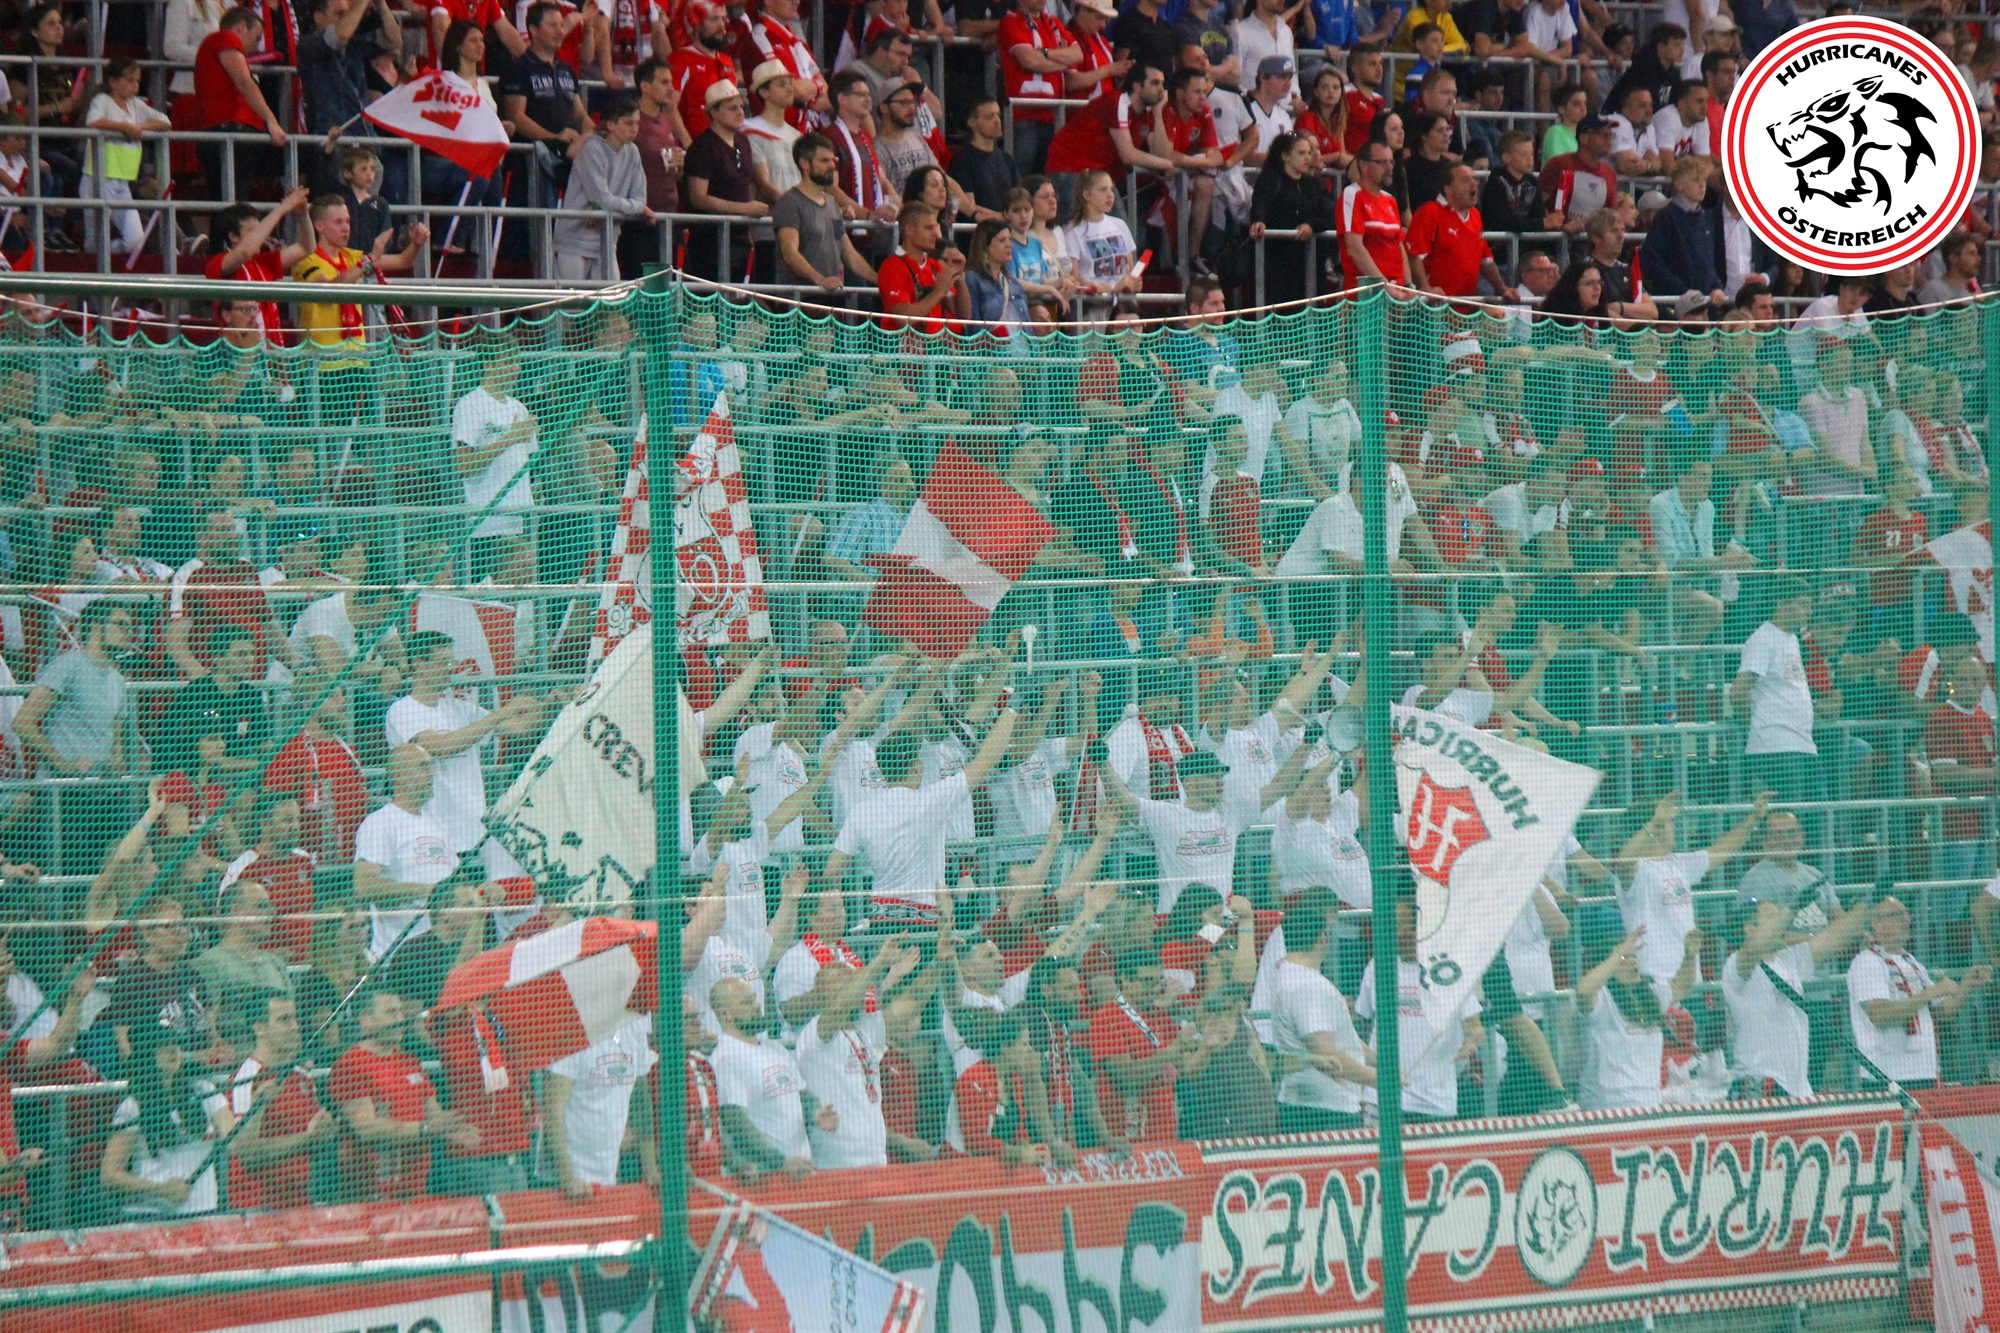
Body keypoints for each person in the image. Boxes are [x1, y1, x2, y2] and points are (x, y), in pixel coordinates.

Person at [386, 629, 550, 878]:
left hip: (473, 831)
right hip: (432, 832)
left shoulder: (460, 708)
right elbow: (443, 746)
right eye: (442, 662)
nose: (451, 669)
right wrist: (503, 712)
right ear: (418, 665)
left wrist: (554, 705)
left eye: (451, 661)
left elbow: (518, 728)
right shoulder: (402, 710)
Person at [329, 981, 478, 1200]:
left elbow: (433, 1113)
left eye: (400, 1011)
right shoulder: (350, 1065)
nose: (400, 1019)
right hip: (370, 1198)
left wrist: (451, 1127)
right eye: (391, 1013)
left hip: (415, 1192)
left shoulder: (410, 1061)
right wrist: (425, 1128)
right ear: (366, 1019)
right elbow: (366, 1127)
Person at [1615, 788, 1772, 985]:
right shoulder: (1637, 870)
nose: (1673, 828)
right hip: (1655, 979)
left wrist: (1753, 819)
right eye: (1670, 822)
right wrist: (1656, 822)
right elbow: (1623, 861)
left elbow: (1720, 851)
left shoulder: (1678, 863)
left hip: (1689, 979)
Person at [1723, 896, 1870, 1099]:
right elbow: (1753, 949)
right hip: (1760, 1086)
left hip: (1798, 1088)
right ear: (1750, 929)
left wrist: (1870, 900)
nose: (1784, 923)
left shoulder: (1789, 959)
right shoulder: (1737, 965)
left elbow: (1835, 936)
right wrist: (1793, 907)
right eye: (1773, 918)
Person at [1356, 900, 1483, 1123]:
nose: (1390, 931)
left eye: (1398, 925)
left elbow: (1475, 1027)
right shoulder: (1377, 967)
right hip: (1382, 1097)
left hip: (1434, 1101)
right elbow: (1361, 1020)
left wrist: (1470, 1043)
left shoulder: (1448, 970)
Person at [1849, 896, 1989, 1091]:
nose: (1905, 920)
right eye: (1896, 915)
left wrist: (1967, 985)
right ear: (1876, 923)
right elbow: (1880, 1015)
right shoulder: (1867, 962)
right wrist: (1931, 992)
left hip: (1923, 1071)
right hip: (1887, 1075)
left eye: (1906, 914)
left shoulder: (1912, 962)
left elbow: (1941, 1012)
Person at [99, 1022, 231, 1217]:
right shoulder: (133, 1106)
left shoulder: (204, 1091)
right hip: (152, 1217)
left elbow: (235, 1141)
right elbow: (109, 1175)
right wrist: (160, 1189)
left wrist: (258, 1104)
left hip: (204, 1214)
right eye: (162, 1046)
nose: (172, 1050)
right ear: (146, 1055)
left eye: (174, 1043)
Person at [1269, 887, 1373, 1132]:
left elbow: (1346, 1042)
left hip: (1309, 1104)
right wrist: (1380, 1081)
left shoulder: (1290, 976)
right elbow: (1326, 1051)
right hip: (1325, 1110)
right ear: (1323, 938)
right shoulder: (1307, 985)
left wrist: (1385, 1064)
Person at [223, 989, 336, 1211]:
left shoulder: (302, 1076)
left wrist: (325, 1132)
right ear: (260, 1028)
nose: (294, 1027)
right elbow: (245, 1153)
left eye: (294, 1018)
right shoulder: (246, 1079)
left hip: (300, 1202)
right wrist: (307, 1138)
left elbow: (313, 1140)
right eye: (284, 1020)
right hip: (256, 1207)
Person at [352, 744, 462, 958]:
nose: (432, 773)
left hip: (442, 950)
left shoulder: (437, 822)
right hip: (400, 953)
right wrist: (426, 891)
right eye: (423, 766)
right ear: (400, 776)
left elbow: (455, 875)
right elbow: (363, 886)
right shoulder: (380, 823)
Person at [1574, 925, 1699, 1110]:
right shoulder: (1602, 999)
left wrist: (1689, 956)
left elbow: (1682, 986)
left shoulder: (1651, 996)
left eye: (1633, 957)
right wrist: (1619, 954)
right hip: (1608, 1105)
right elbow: (1583, 991)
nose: (1633, 963)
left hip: (1649, 1102)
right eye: (1625, 959)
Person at [710, 976, 824, 1177]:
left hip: (800, 1169)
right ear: (725, 1014)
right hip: (766, 1178)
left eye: (754, 998)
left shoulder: (774, 1048)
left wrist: (816, 1112)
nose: (756, 1005)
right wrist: (780, 1162)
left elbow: (800, 1095)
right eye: (747, 1002)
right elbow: (736, 1125)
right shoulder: (725, 1057)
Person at [544, 1013, 659, 1197]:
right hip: (569, 1182)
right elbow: (552, 1110)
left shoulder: (635, 1027)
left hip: (610, 1175)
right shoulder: (570, 1032)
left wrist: (650, 1169)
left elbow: (640, 1103)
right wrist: (567, 1177)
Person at [1089, 949, 1195, 1142]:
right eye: (1147, 981)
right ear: (1125, 979)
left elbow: (1186, 1068)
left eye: (1158, 981)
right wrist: (1174, 1048)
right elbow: (1127, 1077)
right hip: (1126, 1133)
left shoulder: (1160, 1015)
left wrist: (1208, 1047)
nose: (1155, 989)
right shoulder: (1107, 1018)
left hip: (1164, 1133)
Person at [1729, 578, 1819, 804]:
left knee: (1815, 815)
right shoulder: (1763, 639)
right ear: (1781, 603)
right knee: (1786, 816)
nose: (1808, 611)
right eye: (1802, 604)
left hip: (1802, 743)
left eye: (1809, 605)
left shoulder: (1793, 639)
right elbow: (1738, 691)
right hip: (1776, 748)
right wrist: (1755, 725)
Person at [451, 345, 540, 572]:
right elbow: (464, 465)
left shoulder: (519, 408)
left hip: (520, 520)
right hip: (486, 524)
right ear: (489, 365)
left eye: (517, 362)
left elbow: (528, 460)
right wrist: (509, 439)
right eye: (507, 362)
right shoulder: (470, 405)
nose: (515, 368)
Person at [554, 96, 656, 281]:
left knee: (611, 298)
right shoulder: (592, 149)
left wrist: (634, 207)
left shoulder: (633, 152)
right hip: (575, 240)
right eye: (628, 123)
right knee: (573, 299)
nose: (634, 129)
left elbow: (640, 198)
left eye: (637, 123)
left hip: (608, 240)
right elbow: (601, 198)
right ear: (611, 125)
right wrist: (637, 208)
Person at [192, 5, 287, 200]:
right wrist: (271, 121)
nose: (257, 47)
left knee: (226, 201)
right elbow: (244, 82)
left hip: (226, 131)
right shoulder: (225, 38)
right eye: (257, 38)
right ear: (241, 27)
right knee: (233, 202)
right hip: (233, 129)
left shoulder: (214, 45)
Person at [79, 59, 172, 255]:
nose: (135, 85)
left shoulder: (136, 105)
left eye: (137, 81)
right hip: (97, 179)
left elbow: (165, 121)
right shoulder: (102, 100)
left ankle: (107, 256)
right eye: (130, 80)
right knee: (95, 241)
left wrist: (139, 128)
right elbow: (92, 121)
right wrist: (124, 127)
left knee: (135, 240)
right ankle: (94, 265)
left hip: (122, 183)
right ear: (113, 82)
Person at [500, 2, 593, 186]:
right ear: (533, 30)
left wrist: (596, 135)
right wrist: (553, 138)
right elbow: (516, 117)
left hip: (566, 162)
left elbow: (580, 115)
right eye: (552, 26)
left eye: (561, 25)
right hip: (530, 164)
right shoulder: (518, 68)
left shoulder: (566, 70)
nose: (560, 31)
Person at [684, 80, 768, 280]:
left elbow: (745, 185)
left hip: (740, 239)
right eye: (732, 108)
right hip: (709, 242)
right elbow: (699, 198)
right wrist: (744, 209)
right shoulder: (703, 147)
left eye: (741, 107)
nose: (741, 113)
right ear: (714, 112)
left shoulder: (743, 142)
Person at [774, 133, 877, 295]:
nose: (832, 166)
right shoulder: (789, 202)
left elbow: (849, 254)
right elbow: (790, 253)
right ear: (804, 164)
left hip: (832, 297)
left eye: (833, 160)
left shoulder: (832, 203)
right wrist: (820, 280)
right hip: (801, 301)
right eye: (824, 161)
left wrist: (881, 281)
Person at [1248, 131, 1335, 306]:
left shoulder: (1314, 184)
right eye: (1301, 153)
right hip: (1277, 261)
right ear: (1285, 156)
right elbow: (1260, 204)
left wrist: (1311, 226)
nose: (1308, 158)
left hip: (1309, 263)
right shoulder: (1270, 179)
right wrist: (1258, 221)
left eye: (1309, 153)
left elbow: (1330, 214)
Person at [298, 0, 403, 143]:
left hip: (365, 138)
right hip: (332, 141)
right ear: (318, 18)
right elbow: (340, 35)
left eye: (347, 14)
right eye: (340, 14)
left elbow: (394, 42)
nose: (348, 18)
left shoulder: (354, 44)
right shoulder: (308, 45)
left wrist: (381, 4)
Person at [1000, 0, 1083, 173]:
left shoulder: (1054, 23)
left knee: (1047, 177)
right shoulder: (1011, 21)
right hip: (1023, 116)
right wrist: (1062, 62)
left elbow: (1077, 54)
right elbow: (1029, 60)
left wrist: (1044, 53)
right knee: (1020, 176)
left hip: (1054, 116)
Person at [1409, 163, 1513, 300]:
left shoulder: (1475, 215)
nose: (1474, 184)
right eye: (1465, 180)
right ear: (1448, 189)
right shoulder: (1430, 211)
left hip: (1465, 305)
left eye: (1474, 179)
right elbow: (1414, 255)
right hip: (1436, 307)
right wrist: (1426, 289)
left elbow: (1485, 259)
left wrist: (1502, 288)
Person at [192, 879, 292, 1008]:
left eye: (270, 906)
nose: (271, 913)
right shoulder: (209, 964)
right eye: (261, 906)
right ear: (236, 910)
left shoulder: (277, 964)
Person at [876, 200, 968, 332]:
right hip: (903, 345)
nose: (935, 233)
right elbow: (902, 319)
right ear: (909, 230)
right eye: (928, 228)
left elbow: (963, 315)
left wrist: (959, 276)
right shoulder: (893, 266)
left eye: (935, 227)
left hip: (936, 343)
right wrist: (938, 292)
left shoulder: (935, 266)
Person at [1338, 138, 1407, 288]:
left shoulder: (1390, 200)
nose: (1389, 167)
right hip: (1366, 293)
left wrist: (1409, 286)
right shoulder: (1352, 194)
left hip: (1396, 291)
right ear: (1363, 165)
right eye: (1382, 162)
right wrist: (1385, 286)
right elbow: (1355, 248)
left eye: (1391, 162)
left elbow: (1399, 246)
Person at [950, 99, 1022, 214]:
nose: (998, 121)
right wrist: (1002, 218)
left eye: (998, 115)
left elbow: (1019, 199)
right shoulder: (962, 161)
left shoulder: (1007, 159)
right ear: (972, 122)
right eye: (990, 117)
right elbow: (968, 206)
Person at [965, 218, 1033, 330]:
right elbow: (973, 329)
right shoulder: (972, 279)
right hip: (993, 341)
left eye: (1009, 239)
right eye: (1002, 240)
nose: (1009, 245)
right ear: (985, 247)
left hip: (1022, 341)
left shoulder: (1013, 282)